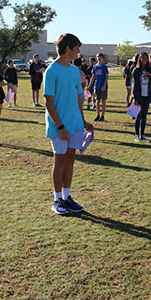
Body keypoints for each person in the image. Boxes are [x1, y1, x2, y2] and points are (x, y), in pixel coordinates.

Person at [44, 33, 92, 215]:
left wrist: (83, 120)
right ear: (67, 49)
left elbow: (79, 97)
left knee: (71, 159)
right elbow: (49, 102)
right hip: (59, 126)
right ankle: (57, 200)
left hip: (75, 124)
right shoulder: (51, 71)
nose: (79, 52)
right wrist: (61, 127)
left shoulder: (74, 71)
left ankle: (67, 197)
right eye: (77, 48)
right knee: (60, 161)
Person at [131, 52, 151, 142]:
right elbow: (134, 85)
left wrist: (150, 75)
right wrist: (135, 98)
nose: (144, 59)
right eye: (142, 58)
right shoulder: (136, 70)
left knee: (144, 116)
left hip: (147, 96)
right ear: (139, 59)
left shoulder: (150, 69)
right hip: (139, 96)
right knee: (138, 116)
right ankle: (137, 135)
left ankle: (142, 134)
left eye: (145, 58)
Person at [89, 53, 109, 122]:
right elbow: (93, 76)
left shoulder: (104, 66)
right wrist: (90, 85)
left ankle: (102, 115)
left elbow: (106, 77)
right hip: (96, 86)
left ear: (102, 58)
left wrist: (104, 85)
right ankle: (97, 115)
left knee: (103, 101)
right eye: (98, 57)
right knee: (97, 101)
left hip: (103, 87)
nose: (99, 59)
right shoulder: (95, 67)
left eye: (100, 58)